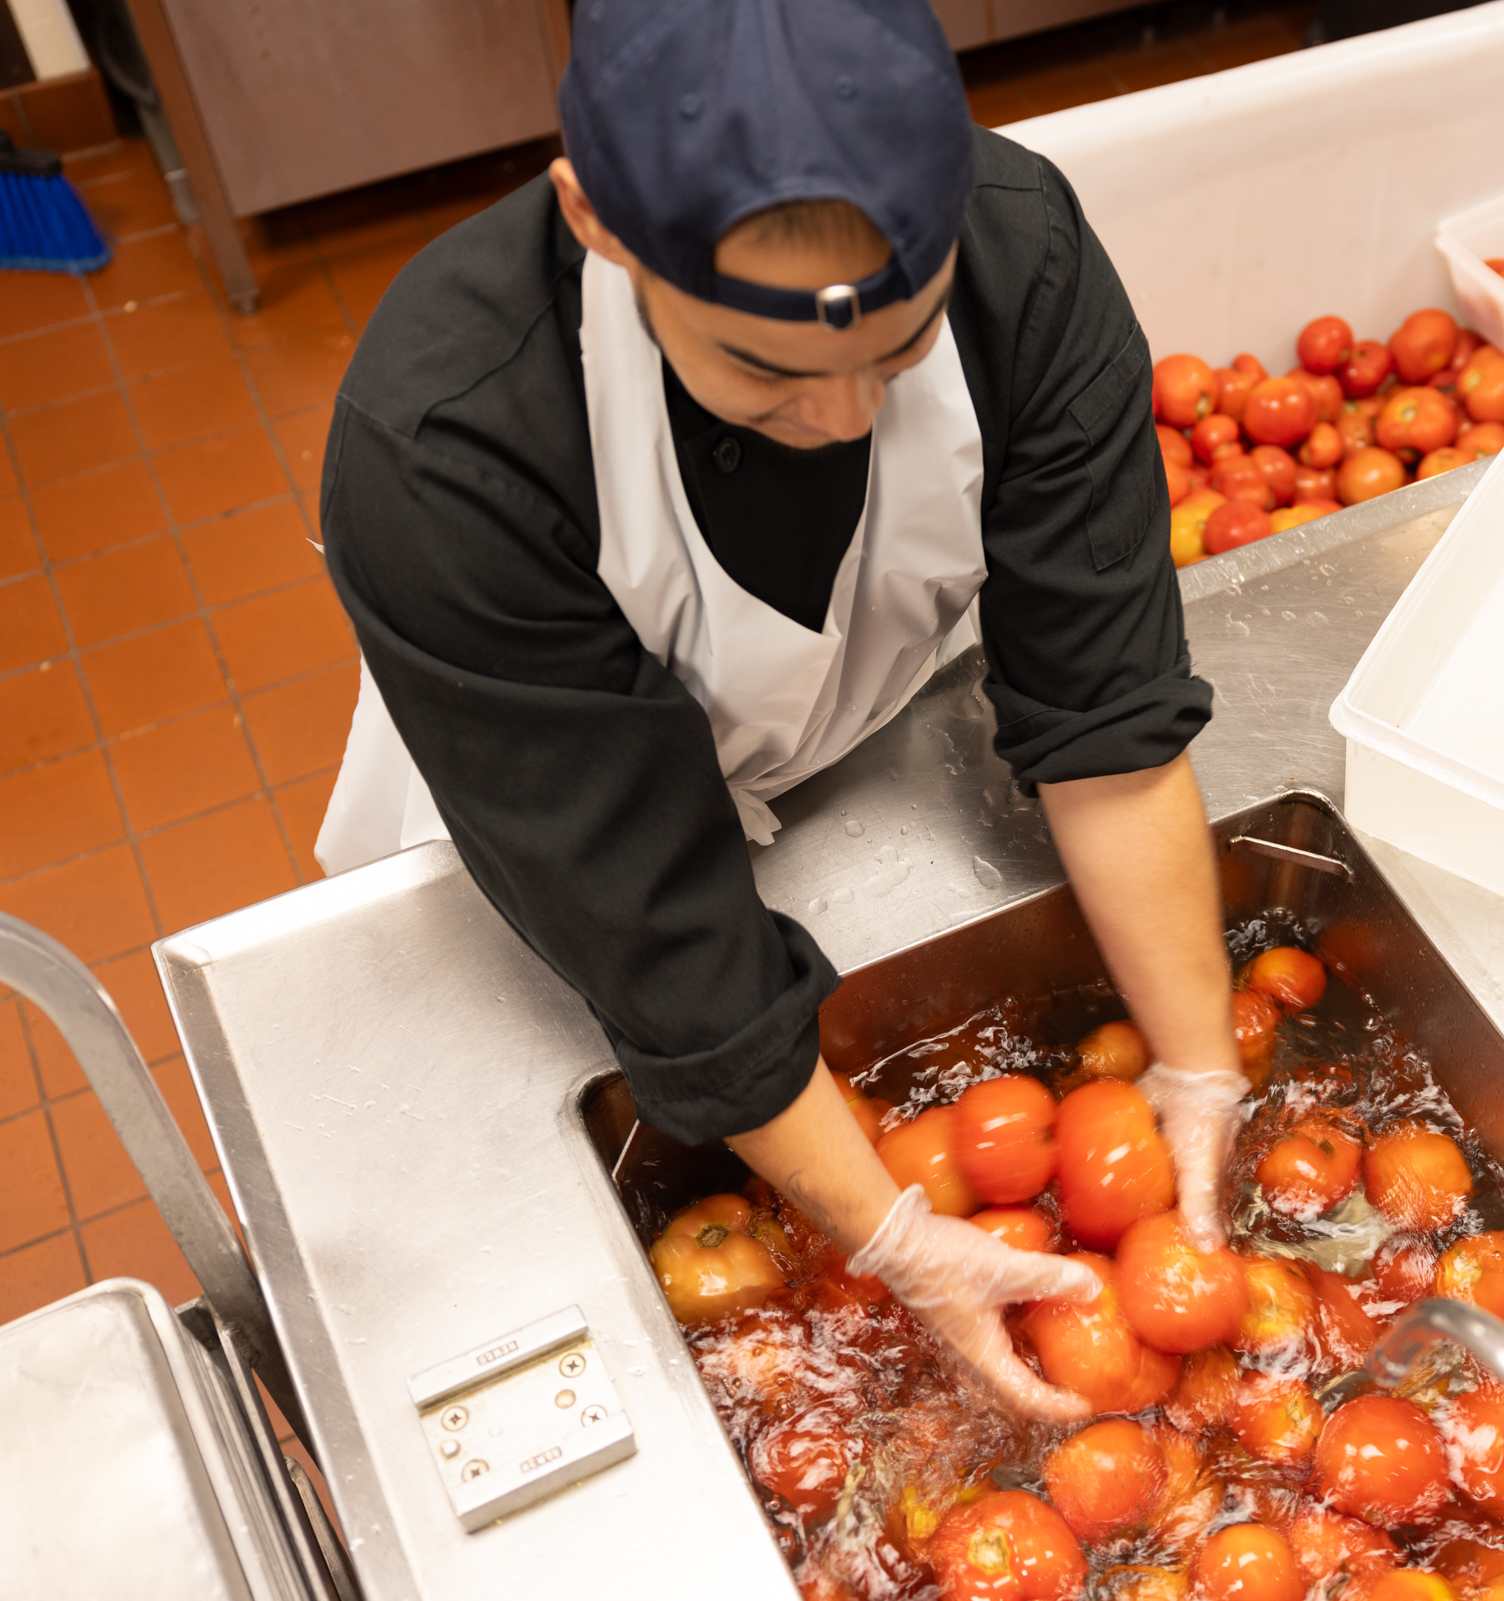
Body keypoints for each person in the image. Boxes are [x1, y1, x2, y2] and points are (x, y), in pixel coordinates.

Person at [313, 0, 1248, 1419]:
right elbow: (663, 941)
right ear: (597, 221)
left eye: (907, 342)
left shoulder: (1022, 255)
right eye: (765, 367)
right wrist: (888, 1235)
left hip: (863, 724)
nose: (851, 420)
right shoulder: (447, 451)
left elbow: (1105, 718)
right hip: (558, 810)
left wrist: (1197, 1062)